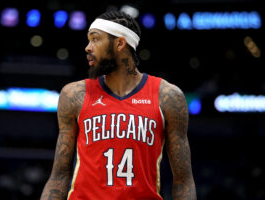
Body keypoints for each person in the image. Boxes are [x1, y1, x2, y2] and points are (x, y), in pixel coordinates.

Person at [40, 10, 196, 200]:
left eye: (95, 39)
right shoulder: (75, 95)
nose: (88, 48)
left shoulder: (168, 96)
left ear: (120, 43)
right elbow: (59, 176)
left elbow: (183, 181)